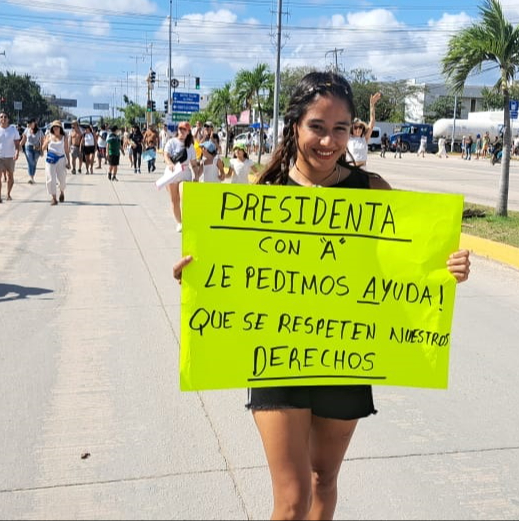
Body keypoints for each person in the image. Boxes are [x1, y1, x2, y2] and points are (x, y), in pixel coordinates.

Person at [171, 71, 473, 521]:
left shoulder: (372, 191)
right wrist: (197, 276)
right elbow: (237, 272)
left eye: (340, 128)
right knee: (292, 502)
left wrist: (446, 269)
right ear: (295, 126)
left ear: (353, 130)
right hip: (276, 355)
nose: (329, 141)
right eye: (317, 126)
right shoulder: (265, 195)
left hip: (345, 356)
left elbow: (406, 265)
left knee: (322, 481)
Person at [158, 121, 193, 232]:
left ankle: (186, 219)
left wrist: (197, 174)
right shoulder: (171, 142)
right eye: (180, 129)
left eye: (184, 129)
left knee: (184, 198)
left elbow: (194, 162)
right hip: (172, 173)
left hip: (185, 173)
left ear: (188, 132)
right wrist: (170, 163)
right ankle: (180, 222)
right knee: (174, 199)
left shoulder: (191, 146)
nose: (182, 131)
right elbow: (166, 155)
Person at [0, 112, 21, 203]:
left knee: (10, 177)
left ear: (8, 119)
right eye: (1, 117)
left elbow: (17, 144)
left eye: (5, 117)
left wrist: (17, 153)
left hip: (10, 157)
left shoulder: (13, 131)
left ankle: (8, 193)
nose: (3, 118)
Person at [345, 92, 381, 168]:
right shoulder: (348, 138)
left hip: (363, 170)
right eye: (355, 127)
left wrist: (372, 105)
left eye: (360, 127)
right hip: (351, 170)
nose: (358, 129)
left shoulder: (364, 139)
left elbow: (372, 123)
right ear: (352, 128)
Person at [41, 120, 68, 205]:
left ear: (60, 128)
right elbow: (43, 148)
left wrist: (69, 162)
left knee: (62, 179)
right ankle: (53, 198)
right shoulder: (49, 136)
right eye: (54, 127)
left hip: (61, 159)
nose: (56, 128)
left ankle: (62, 191)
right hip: (50, 159)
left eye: (57, 127)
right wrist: (47, 141)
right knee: (50, 179)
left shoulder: (64, 137)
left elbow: (66, 150)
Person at [20, 119, 44, 184]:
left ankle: (32, 177)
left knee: (34, 163)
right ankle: (31, 178)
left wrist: (42, 150)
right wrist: (19, 146)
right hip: (28, 147)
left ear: (34, 123)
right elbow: (24, 139)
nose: (30, 124)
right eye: (29, 123)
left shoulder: (39, 131)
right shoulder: (27, 130)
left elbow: (42, 141)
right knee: (31, 162)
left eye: (31, 123)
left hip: (37, 148)